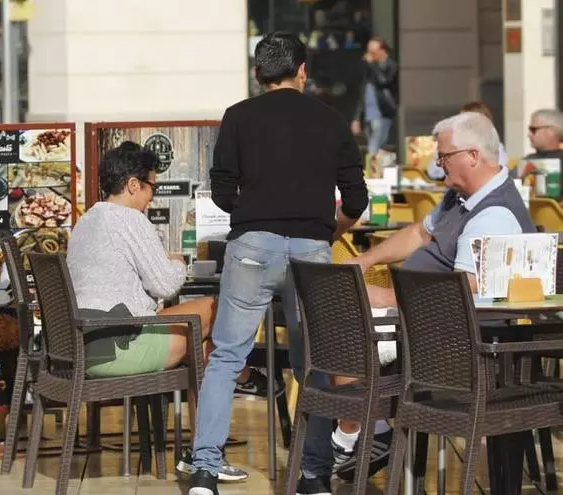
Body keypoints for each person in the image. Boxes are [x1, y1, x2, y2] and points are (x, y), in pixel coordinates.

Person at [187, 32, 368, 495]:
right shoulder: (331, 120)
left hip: (252, 246)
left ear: (257, 74)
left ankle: (205, 469)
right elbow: (356, 199)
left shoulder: (238, 116)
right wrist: (330, 230)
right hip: (312, 249)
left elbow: (222, 191)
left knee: (226, 356)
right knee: (315, 363)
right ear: (302, 71)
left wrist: (256, 215)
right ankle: (313, 475)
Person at [327, 112, 536, 486]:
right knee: (337, 310)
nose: (438, 165)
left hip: (454, 341)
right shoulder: (462, 197)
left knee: (345, 322)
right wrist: (364, 261)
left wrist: (384, 296)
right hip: (421, 320)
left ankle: (359, 433)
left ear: (472, 156)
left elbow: (461, 292)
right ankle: (369, 431)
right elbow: (419, 234)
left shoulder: (495, 214)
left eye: (444, 156)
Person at [67, 142, 262, 482]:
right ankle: (242, 382)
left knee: (204, 347)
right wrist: (178, 260)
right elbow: (165, 284)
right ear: (133, 185)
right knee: (215, 309)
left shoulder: (86, 221)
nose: (152, 198)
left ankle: (210, 441)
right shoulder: (129, 219)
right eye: (151, 188)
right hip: (120, 348)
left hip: (85, 344)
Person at [427, 101, 508, 180]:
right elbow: (434, 173)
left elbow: (497, 170)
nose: (459, 125)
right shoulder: (455, 144)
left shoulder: (493, 146)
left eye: (465, 122)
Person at [351, 38, 399, 155]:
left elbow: (384, 81)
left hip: (382, 112)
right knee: (376, 147)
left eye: (373, 52)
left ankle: (371, 163)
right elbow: (363, 94)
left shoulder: (390, 65)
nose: (370, 55)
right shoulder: (370, 68)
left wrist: (372, 64)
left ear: (383, 51)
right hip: (368, 113)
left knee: (374, 146)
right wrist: (357, 118)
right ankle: (375, 164)